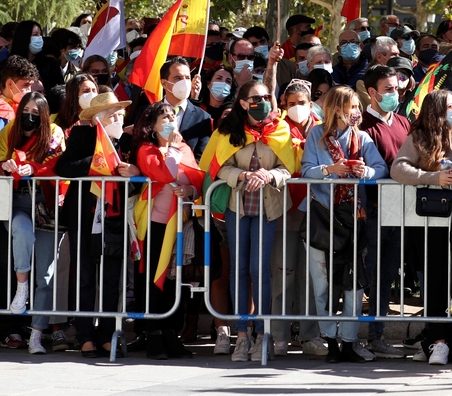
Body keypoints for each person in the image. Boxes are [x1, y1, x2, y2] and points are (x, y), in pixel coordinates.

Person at [391, 89, 452, 365]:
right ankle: (438, 341)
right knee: (435, 272)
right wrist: (434, 177)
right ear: (436, 108)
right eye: (450, 105)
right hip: (432, 210)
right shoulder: (418, 137)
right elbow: (398, 169)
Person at [302, 85, 387, 363]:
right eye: (353, 107)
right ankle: (331, 343)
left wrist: (367, 171)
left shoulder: (362, 138)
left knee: (354, 284)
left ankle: (349, 342)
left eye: (358, 108)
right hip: (322, 217)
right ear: (337, 108)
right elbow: (306, 171)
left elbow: (381, 169)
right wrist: (330, 170)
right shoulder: (316, 134)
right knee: (322, 283)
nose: (357, 112)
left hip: (354, 218)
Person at [213, 81, 294, 362]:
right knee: (239, 269)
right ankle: (241, 335)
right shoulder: (228, 130)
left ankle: (262, 335)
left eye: (266, 97)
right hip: (238, 207)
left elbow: (289, 168)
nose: (262, 101)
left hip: (267, 208)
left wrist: (270, 175)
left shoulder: (281, 130)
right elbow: (219, 166)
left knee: (260, 270)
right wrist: (244, 175)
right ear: (244, 103)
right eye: (256, 98)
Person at [53, 92, 134, 357]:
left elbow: (138, 180)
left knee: (112, 277)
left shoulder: (126, 142)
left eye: (121, 114)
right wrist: (97, 162)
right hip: (84, 215)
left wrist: (132, 172)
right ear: (98, 119)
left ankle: (108, 335)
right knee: (86, 276)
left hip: (114, 216)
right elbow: (64, 168)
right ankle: (86, 335)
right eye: (113, 115)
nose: (118, 119)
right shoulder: (82, 137)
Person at [133, 102, 205, 360]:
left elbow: (197, 180)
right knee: (154, 281)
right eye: (164, 116)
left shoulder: (184, 148)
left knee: (175, 283)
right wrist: (172, 149)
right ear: (152, 126)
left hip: (180, 225)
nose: (170, 120)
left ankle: (169, 334)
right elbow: (165, 173)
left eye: (173, 115)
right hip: (153, 224)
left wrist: (190, 191)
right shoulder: (147, 149)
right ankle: (153, 335)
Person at [265, 79, 327, 357]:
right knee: (283, 272)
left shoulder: (322, 128)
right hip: (286, 210)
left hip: (316, 209)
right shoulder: (277, 129)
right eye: (291, 104)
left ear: (311, 102)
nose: (297, 108)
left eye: (302, 103)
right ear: (283, 105)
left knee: (312, 277)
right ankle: (279, 335)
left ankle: (310, 335)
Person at [359, 65, 410, 359]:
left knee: (388, 273)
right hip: (373, 211)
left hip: (402, 209)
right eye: (389, 89)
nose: (395, 93)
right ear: (372, 92)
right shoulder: (362, 125)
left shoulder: (404, 123)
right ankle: (366, 335)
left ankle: (377, 334)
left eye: (397, 87)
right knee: (372, 273)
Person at [158, 57, 212, 159]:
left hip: (187, 173)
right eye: (178, 78)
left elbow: (202, 157)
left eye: (187, 78)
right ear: (164, 83)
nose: (184, 82)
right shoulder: (148, 112)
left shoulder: (203, 117)